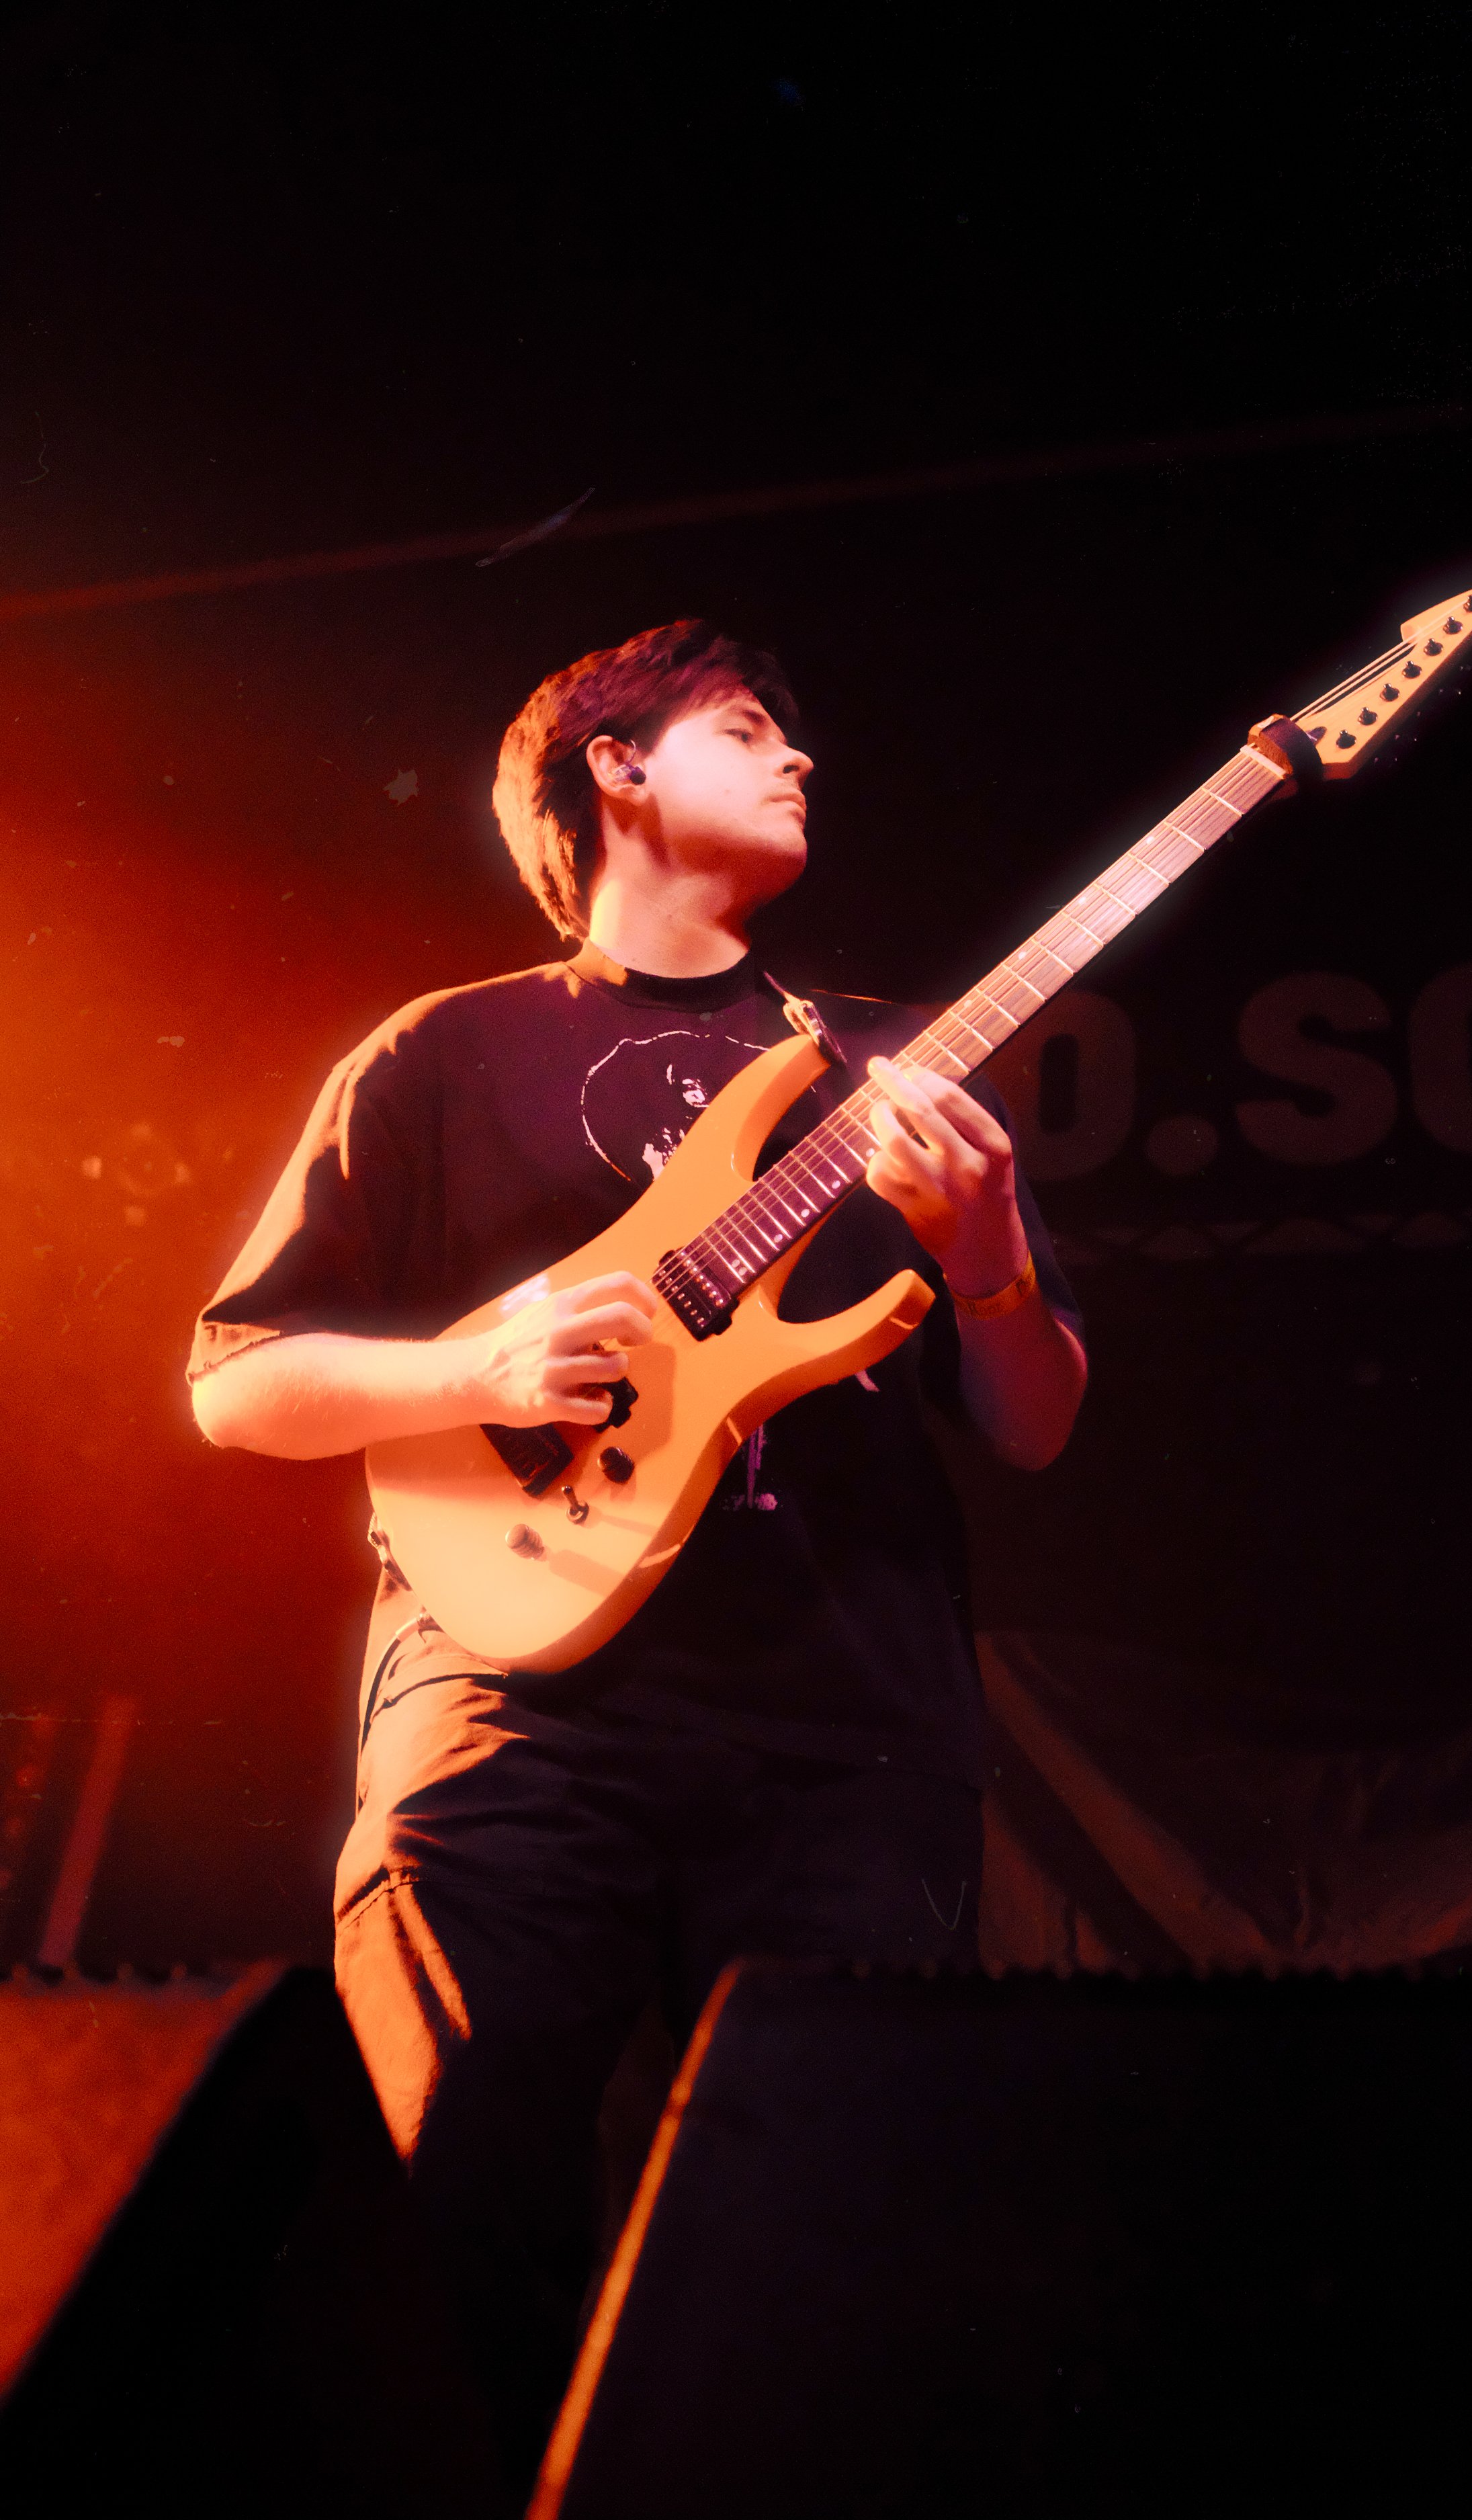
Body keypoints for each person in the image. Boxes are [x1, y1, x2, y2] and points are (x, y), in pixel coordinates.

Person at [187, 618, 1086, 2494]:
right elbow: (236, 1386)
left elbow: (1035, 1421)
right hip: (512, 1710)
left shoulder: (888, 1067)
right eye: (748, 727)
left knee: (834, 2267)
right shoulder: (444, 1051)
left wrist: (988, 1252)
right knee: (450, 2230)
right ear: (613, 766)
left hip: (848, 1731)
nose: (802, 761)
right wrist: (473, 1363)